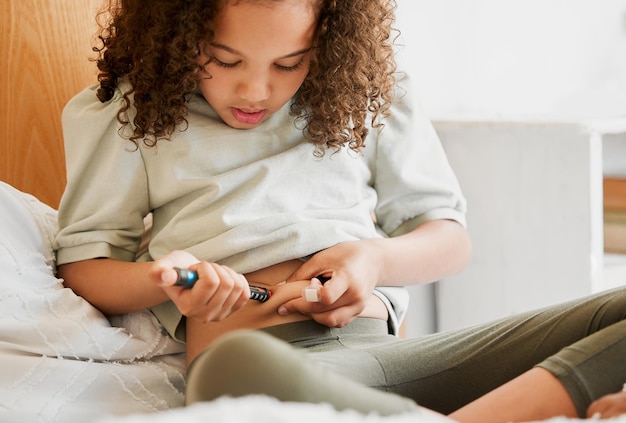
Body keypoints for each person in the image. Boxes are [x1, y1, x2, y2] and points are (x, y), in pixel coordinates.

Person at [53, 0, 626, 422]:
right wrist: (163, 280)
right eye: (223, 60)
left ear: (327, 43)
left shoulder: (368, 91)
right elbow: (85, 266)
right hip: (252, 358)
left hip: (386, 357)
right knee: (236, 369)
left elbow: (448, 237)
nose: (255, 90)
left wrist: (372, 260)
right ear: (177, 33)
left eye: (290, 63)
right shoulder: (131, 111)